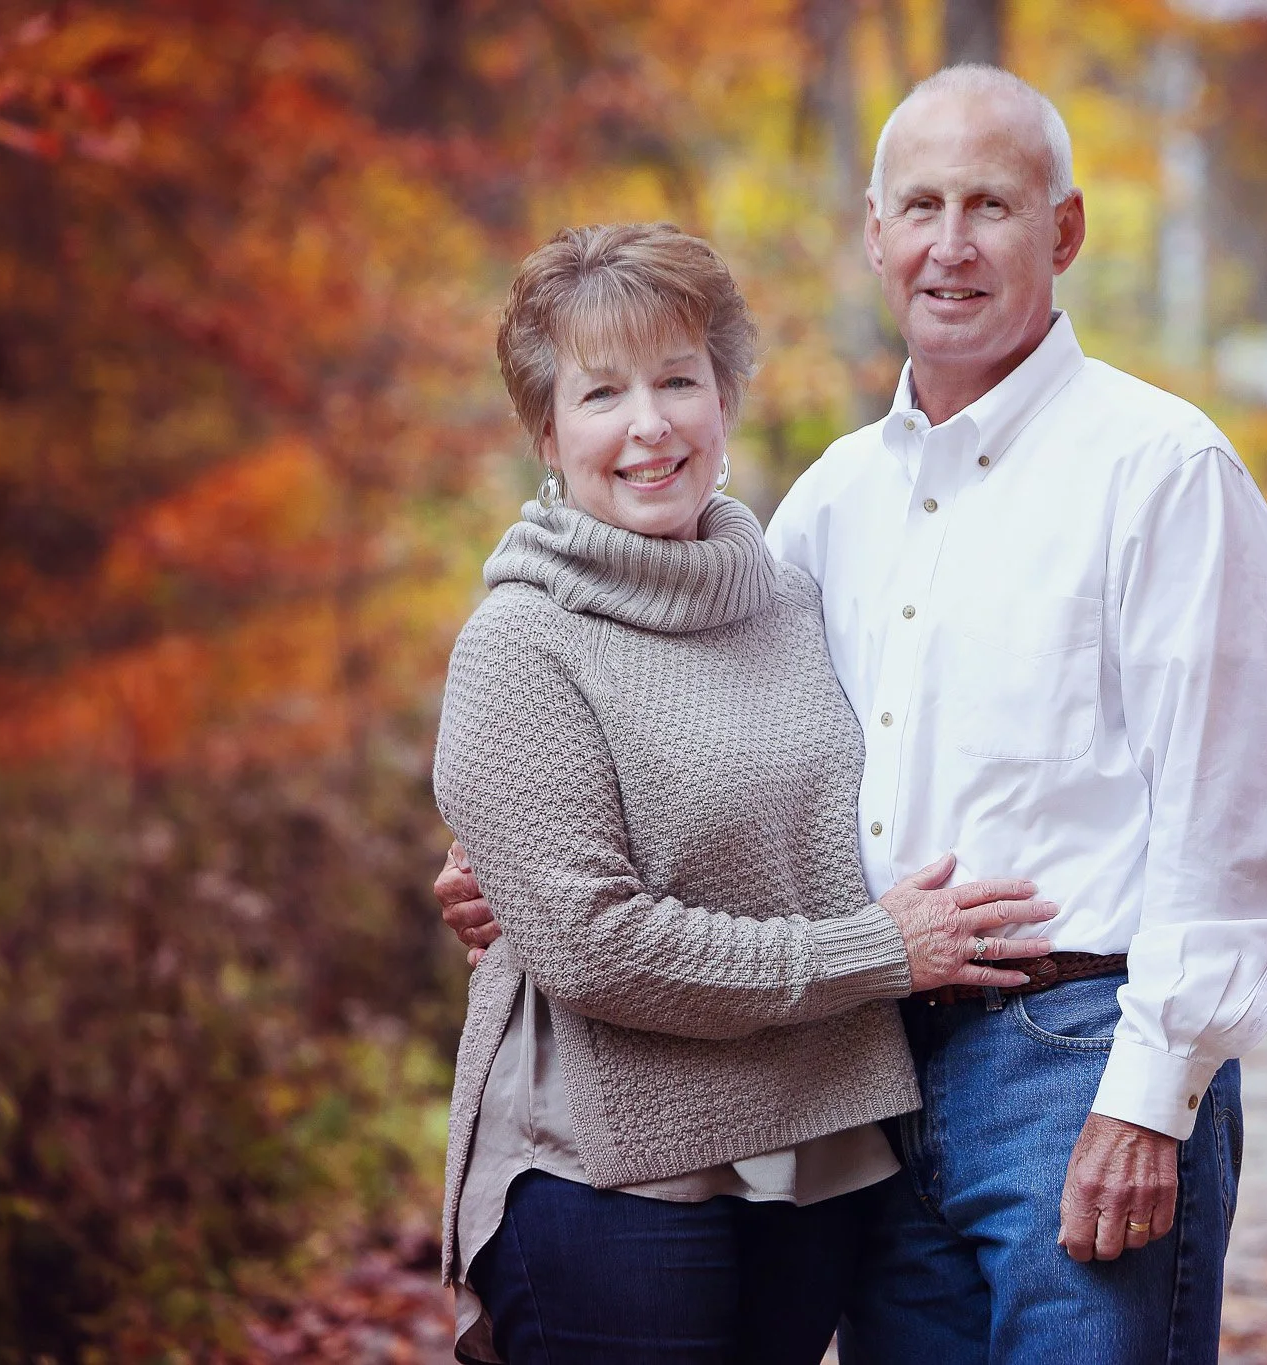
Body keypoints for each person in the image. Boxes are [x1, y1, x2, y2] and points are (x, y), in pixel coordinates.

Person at [440, 66, 1267, 1364]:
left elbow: (1234, 823)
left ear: (1063, 233)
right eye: (921, 205)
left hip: (1075, 1052)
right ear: (874, 232)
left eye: (992, 208)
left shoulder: (1159, 469)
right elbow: (721, 739)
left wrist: (1155, 1095)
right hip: (868, 1084)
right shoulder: (831, 502)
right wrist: (518, 847)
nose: (950, 245)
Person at [431, 221, 1057, 1365]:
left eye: (678, 380)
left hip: (809, 1165)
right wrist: (877, 953)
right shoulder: (520, 642)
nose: (649, 424)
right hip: (609, 1181)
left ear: (724, 399)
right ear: (545, 430)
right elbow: (596, 945)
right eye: (601, 394)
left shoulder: (786, 600)